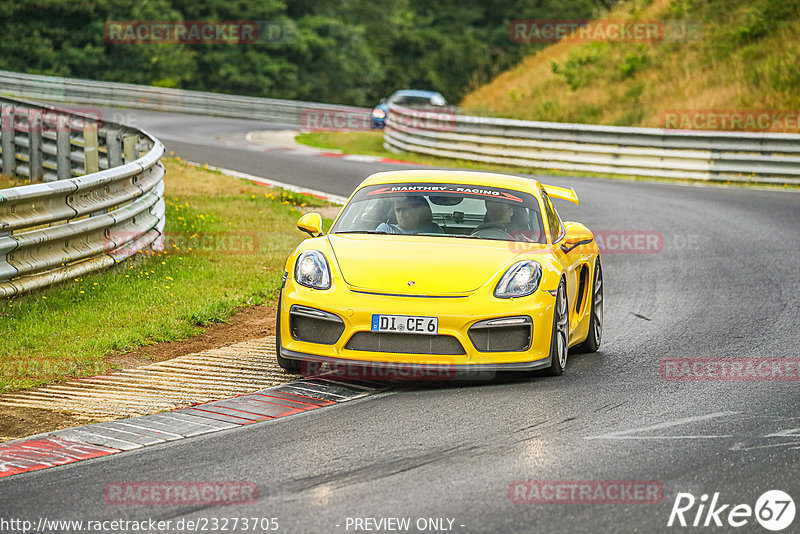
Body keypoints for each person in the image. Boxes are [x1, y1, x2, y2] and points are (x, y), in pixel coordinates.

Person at [375, 196, 443, 234]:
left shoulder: (433, 230)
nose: (401, 214)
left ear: (417, 211)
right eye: (398, 210)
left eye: (405, 209)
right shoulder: (385, 229)